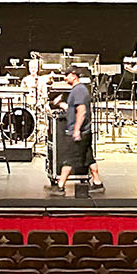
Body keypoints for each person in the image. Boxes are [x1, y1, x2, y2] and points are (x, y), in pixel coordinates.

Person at [54, 62, 102, 191]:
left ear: (74, 76)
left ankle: (60, 186)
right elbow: (73, 108)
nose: (65, 78)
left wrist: (76, 130)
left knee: (69, 159)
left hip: (80, 131)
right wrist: (61, 104)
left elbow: (82, 111)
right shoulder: (77, 90)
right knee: (89, 158)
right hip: (84, 131)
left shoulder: (79, 90)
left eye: (67, 75)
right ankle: (97, 183)